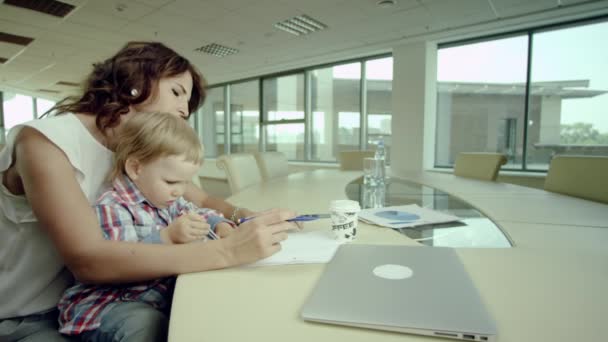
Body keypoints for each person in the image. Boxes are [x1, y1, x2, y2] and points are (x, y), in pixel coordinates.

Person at [0, 41, 296, 342]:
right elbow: (88, 259)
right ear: (135, 81)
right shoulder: (44, 142)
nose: (184, 109)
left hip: (98, 300)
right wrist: (228, 251)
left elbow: (202, 199)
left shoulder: (138, 152)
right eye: (177, 92)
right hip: (26, 316)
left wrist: (243, 216)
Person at [58, 112, 235, 341]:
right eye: (171, 182)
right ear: (135, 168)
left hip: (150, 299)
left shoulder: (166, 199)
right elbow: (122, 265)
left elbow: (199, 211)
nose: (179, 191)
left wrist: (219, 223)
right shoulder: (113, 206)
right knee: (146, 326)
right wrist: (168, 237)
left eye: (185, 182)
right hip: (107, 306)